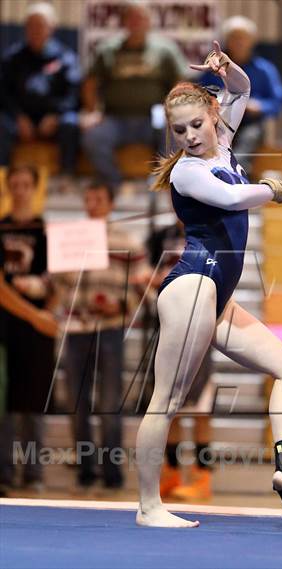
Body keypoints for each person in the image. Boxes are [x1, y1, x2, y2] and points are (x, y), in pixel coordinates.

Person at [135, 41, 282, 530]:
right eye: (179, 131)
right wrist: (275, 190)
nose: (190, 137)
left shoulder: (225, 145)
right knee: (168, 401)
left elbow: (243, 88)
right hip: (192, 286)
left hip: (217, 297)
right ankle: (148, 506)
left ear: (214, 116)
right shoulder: (189, 174)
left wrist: (227, 68)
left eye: (197, 124)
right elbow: (232, 199)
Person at [54, 181, 144, 490]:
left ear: (110, 204)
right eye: (89, 198)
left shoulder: (127, 240)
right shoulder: (69, 239)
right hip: (77, 327)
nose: (93, 204)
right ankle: (85, 469)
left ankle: (112, 472)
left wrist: (122, 305)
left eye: (99, 199)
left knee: (109, 402)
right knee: (77, 403)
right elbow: (57, 286)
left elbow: (141, 285)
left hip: (109, 329)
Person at [135, 221, 214, 501]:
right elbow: (145, 271)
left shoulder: (209, 230)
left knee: (200, 406)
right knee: (170, 402)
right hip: (166, 323)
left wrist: (169, 279)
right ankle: (172, 473)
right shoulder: (161, 235)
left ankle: (203, 476)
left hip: (198, 321)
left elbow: (213, 273)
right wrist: (148, 279)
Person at [81, 1, 188, 191]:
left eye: (141, 18)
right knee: (93, 137)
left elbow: (180, 83)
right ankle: (113, 181)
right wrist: (92, 112)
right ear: (124, 22)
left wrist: (173, 109)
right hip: (115, 117)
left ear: (149, 22)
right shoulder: (108, 49)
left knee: (175, 131)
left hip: (154, 115)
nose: (136, 22)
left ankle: (160, 179)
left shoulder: (165, 49)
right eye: (131, 18)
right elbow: (90, 84)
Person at [0, 165, 57, 495]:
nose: (20, 189)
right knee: (6, 401)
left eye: (26, 184)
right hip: (6, 322)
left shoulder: (46, 230)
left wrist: (38, 292)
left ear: (35, 188)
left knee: (34, 401)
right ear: (9, 188)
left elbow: (57, 279)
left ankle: (34, 473)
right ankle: (4, 472)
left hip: (37, 321)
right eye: (15, 184)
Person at [0, 2, 81, 181]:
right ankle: (2, 177)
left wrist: (55, 115)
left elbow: (73, 95)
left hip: (53, 118)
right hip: (20, 118)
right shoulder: (13, 58)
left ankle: (66, 178)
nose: (35, 30)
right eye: (31, 25)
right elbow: (4, 93)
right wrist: (18, 116)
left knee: (71, 124)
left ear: (51, 28)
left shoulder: (66, 57)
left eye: (40, 25)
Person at [199, 16, 282, 175]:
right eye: (234, 37)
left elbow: (277, 101)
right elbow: (201, 94)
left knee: (248, 141)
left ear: (252, 41)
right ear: (226, 40)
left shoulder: (265, 69)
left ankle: (234, 176)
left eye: (243, 38)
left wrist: (259, 106)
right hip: (219, 121)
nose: (239, 42)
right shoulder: (214, 67)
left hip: (250, 123)